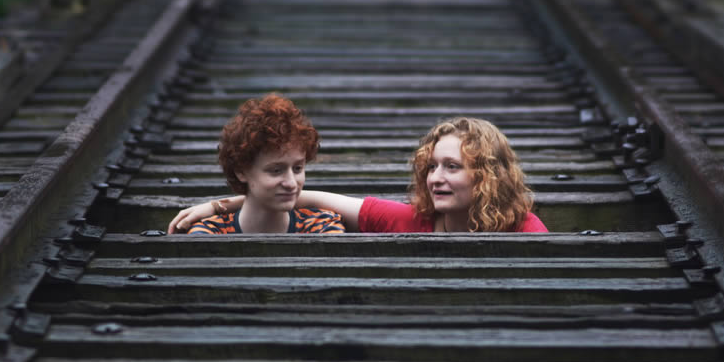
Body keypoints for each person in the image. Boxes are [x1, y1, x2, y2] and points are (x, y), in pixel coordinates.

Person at [169, 115, 548, 235]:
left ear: (487, 176)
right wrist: (220, 205)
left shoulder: (526, 230)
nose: (435, 178)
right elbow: (311, 197)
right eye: (431, 166)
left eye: (452, 167)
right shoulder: (410, 220)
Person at [179, 92, 344, 235]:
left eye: (298, 168)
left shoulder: (321, 226)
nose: (292, 183)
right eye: (276, 170)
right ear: (241, 171)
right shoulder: (208, 233)